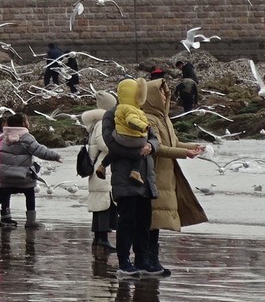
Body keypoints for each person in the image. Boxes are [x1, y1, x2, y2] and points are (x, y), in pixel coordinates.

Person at [143, 77, 208, 276]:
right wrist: (184, 154)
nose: (165, 96)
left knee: (156, 219)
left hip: (166, 175)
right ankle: (148, 261)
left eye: (165, 93)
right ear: (152, 95)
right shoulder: (149, 118)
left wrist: (193, 147)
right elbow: (158, 148)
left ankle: (152, 260)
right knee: (152, 219)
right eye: (161, 93)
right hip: (154, 175)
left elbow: (174, 142)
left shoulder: (164, 118)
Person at [103, 78, 161, 279]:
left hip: (146, 177)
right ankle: (124, 261)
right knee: (127, 221)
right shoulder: (112, 115)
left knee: (144, 221)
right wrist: (138, 152)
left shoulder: (140, 113)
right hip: (125, 178)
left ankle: (142, 260)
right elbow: (111, 143)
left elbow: (154, 137)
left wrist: (151, 146)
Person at [0, 113, 63, 229]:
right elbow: (39, 150)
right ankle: (31, 221)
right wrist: (55, 156)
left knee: (3, 193)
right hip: (22, 176)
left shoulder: (4, 137)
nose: (28, 123)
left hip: (5, 175)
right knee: (30, 192)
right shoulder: (26, 137)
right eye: (26, 121)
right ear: (23, 124)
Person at [82, 90, 119, 253]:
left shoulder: (97, 122)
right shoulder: (103, 122)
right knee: (105, 203)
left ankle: (99, 239)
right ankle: (102, 239)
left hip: (97, 166)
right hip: (103, 166)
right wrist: (120, 146)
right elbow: (104, 144)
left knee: (100, 204)